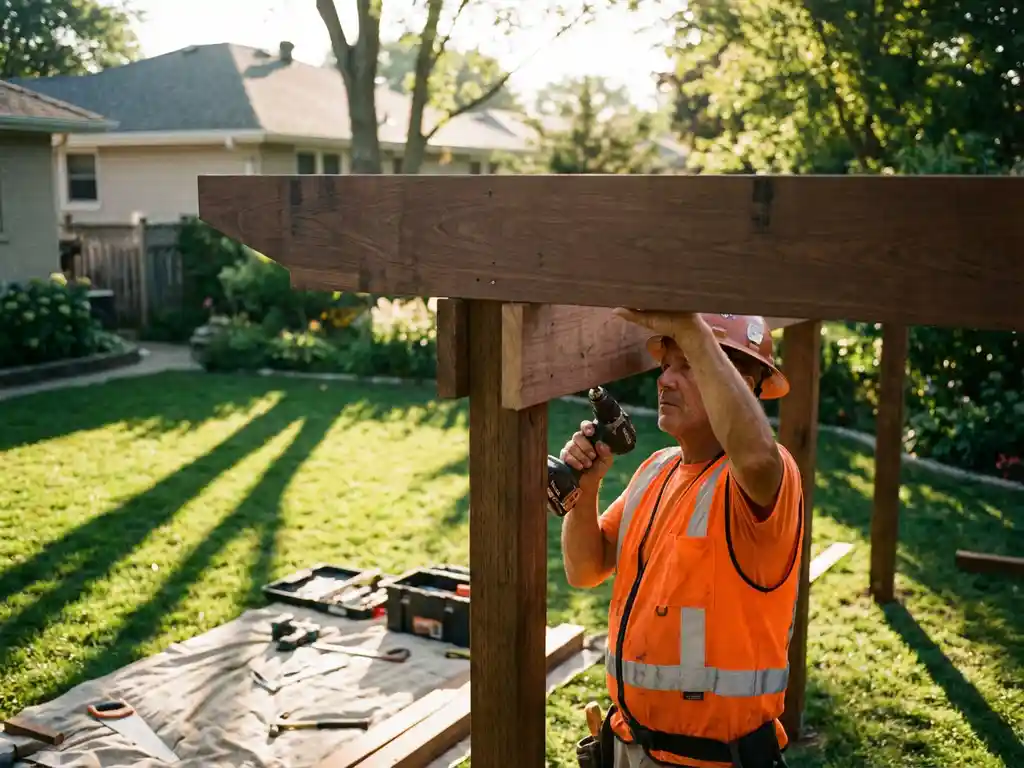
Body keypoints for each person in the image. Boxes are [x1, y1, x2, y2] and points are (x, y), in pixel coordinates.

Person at [559, 310, 804, 768]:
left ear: (741, 384)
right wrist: (587, 488)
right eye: (667, 365)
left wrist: (693, 332)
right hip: (628, 746)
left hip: (713, 760)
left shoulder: (767, 479)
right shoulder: (656, 470)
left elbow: (754, 456)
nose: (665, 381)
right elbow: (584, 568)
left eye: (687, 365)